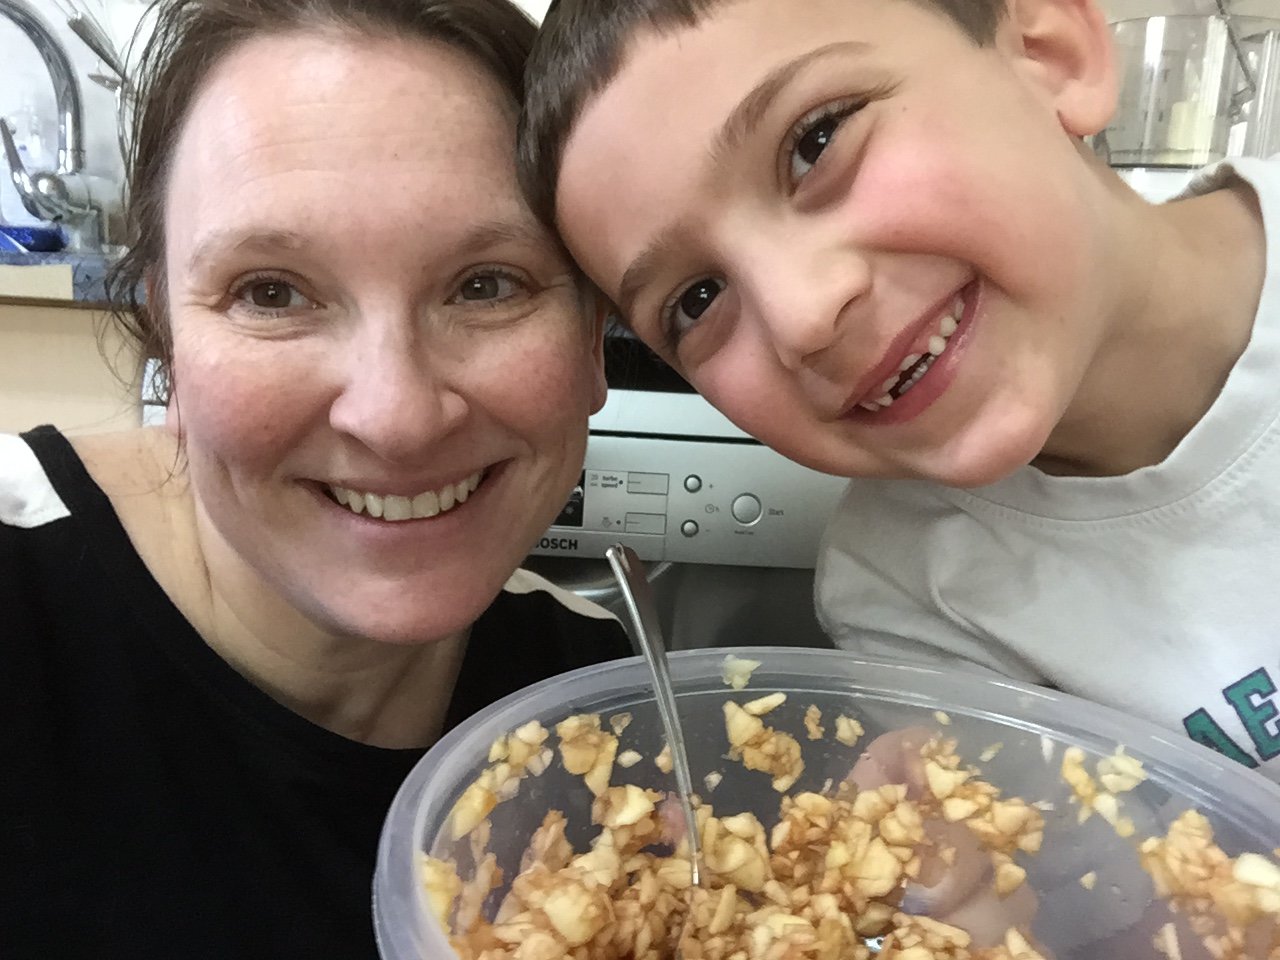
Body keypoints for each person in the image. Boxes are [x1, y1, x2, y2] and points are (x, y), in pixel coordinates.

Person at [0, 0, 631, 955]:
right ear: (164, 335)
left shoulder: (602, 699)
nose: (397, 416)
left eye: (486, 283)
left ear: (592, 338)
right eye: (271, 292)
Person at [516, 0, 1280, 781]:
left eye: (816, 143)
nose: (802, 315)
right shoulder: (907, 599)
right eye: (699, 300)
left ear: (1052, 54)